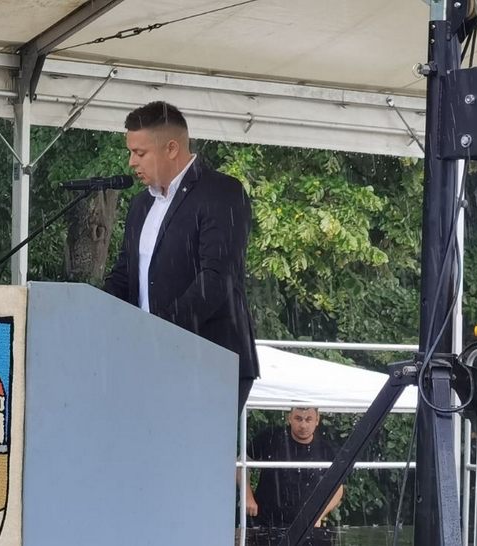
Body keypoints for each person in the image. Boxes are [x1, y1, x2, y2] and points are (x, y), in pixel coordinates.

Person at [102, 101, 259, 414]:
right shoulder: (141, 205)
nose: (131, 162)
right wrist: (95, 311)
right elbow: (124, 275)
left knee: (195, 446)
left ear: (171, 148)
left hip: (209, 359)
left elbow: (216, 279)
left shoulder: (221, 193)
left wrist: (159, 331)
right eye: (130, 152)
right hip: (150, 360)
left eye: (140, 152)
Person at [245, 407, 342, 544]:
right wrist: (248, 497)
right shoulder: (270, 437)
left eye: (308, 419)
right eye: (298, 419)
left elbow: (338, 488)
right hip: (265, 523)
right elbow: (240, 465)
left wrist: (319, 515)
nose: (303, 425)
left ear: (317, 420)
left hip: (305, 526)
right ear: (289, 417)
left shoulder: (326, 449)